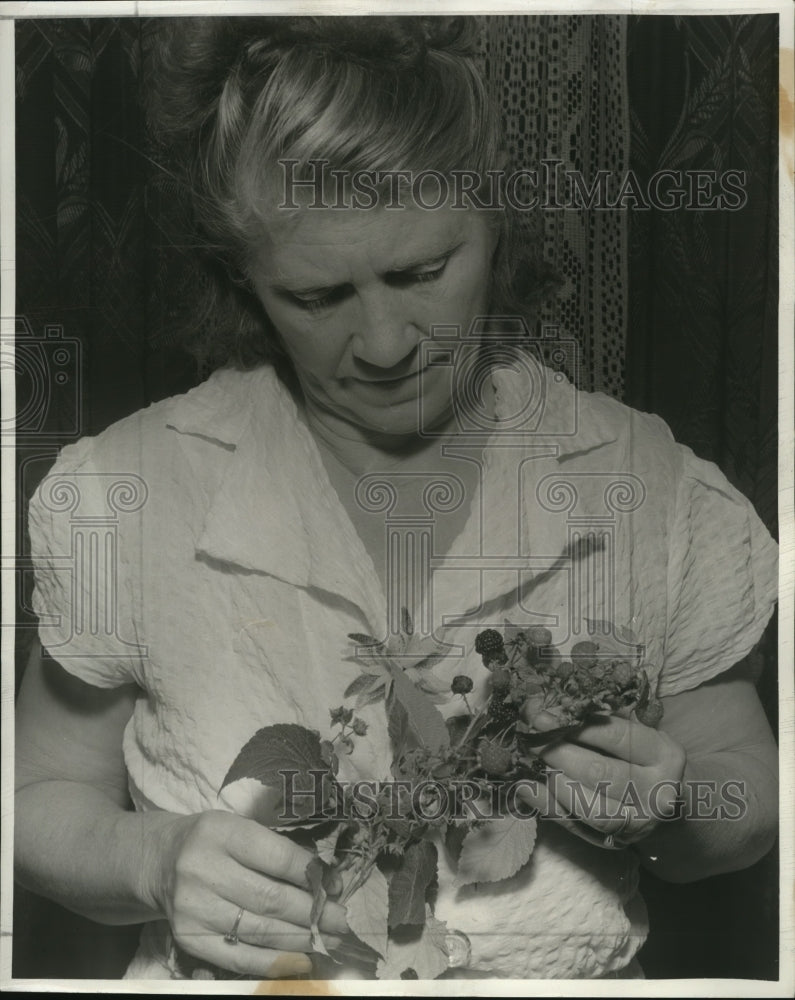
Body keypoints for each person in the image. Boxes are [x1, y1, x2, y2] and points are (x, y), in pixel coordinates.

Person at [15, 16, 778, 981]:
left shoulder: (652, 488)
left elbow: (745, 804)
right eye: (317, 296)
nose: (383, 345)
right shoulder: (123, 494)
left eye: (421, 272)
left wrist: (673, 810)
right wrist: (151, 861)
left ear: (497, 225)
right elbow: (37, 795)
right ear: (240, 279)